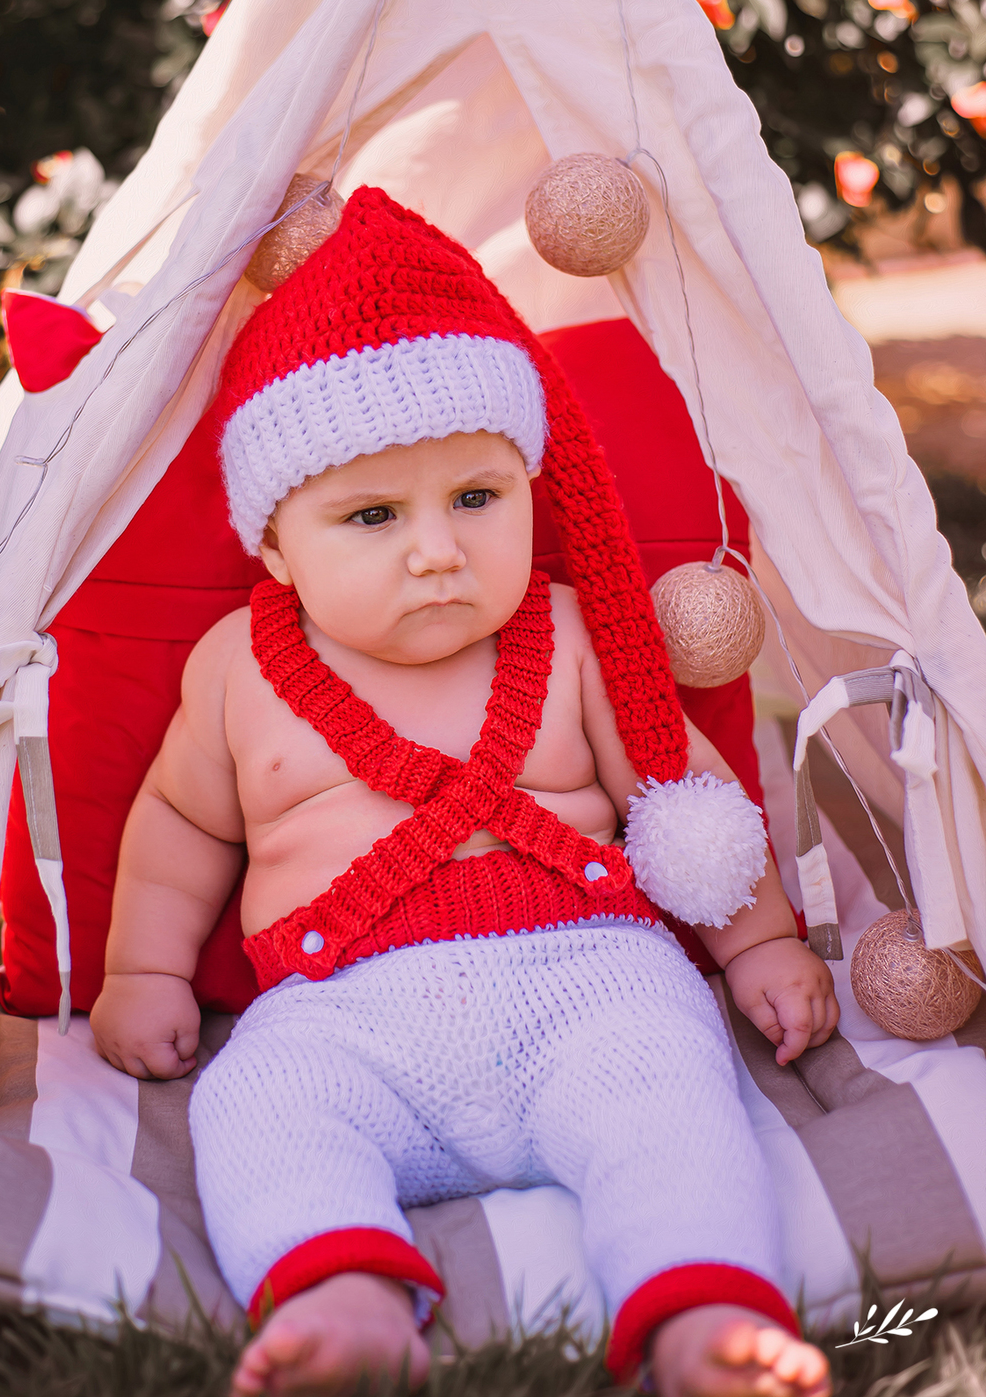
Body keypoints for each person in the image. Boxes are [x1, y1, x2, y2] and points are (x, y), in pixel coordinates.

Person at [91, 185, 838, 1397]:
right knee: (259, 1106)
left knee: (672, 1095)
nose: (436, 547)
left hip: (591, 982)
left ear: (529, 488)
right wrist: (144, 973)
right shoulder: (235, 669)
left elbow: (675, 782)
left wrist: (754, 946)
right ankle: (344, 1295)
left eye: (476, 499)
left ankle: (704, 1309)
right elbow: (179, 825)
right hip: (343, 1016)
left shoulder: (572, 634)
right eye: (373, 514)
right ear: (273, 544)